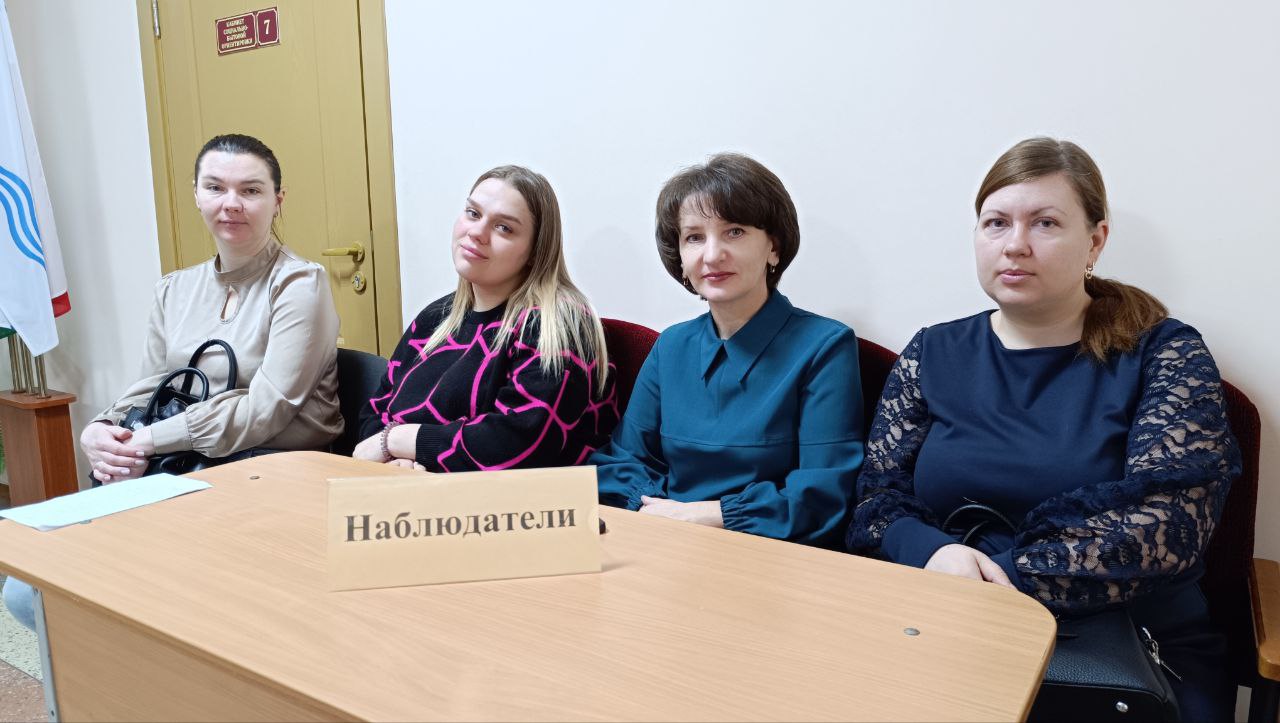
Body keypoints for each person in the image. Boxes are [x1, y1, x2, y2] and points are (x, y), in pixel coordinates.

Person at [847, 137, 1240, 719]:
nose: (1015, 245)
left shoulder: (1164, 353)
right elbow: (877, 498)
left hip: (1122, 649)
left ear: (1096, 240)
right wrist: (935, 554)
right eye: (996, 223)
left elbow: (1171, 523)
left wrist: (1001, 579)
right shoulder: (932, 351)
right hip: (945, 618)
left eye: (1045, 223)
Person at [4, 133, 342, 630]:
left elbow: (266, 410)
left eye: (251, 190)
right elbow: (151, 386)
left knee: (151, 594)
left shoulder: (298, 284)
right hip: (180, 469)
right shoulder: (175, 289)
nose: (232, 203)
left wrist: (149, 440)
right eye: (216, 187)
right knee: (26, 590)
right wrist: (102, 429)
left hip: (266, 477)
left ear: (277, 200)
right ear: (197, 195)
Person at [591, 153, 864, 548]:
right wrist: (660, 511)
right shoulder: (671, 346)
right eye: (694, 237)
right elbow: (621, 462)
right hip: (666, 539)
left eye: (734, 231)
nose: (712, 254)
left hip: (771, 554)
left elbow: (823, 495)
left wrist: (706, 514)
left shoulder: (825, 346)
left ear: (774, 247)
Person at [354, 165, 617, 471]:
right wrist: (396, 460)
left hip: (519, 499)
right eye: (473, 213)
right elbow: (375, 412)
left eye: (504, 228)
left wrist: (395, 441)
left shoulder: (557, 323)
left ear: (536, 250)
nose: (477, 233)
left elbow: (515, 444)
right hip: (408, 488)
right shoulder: (435, 318)